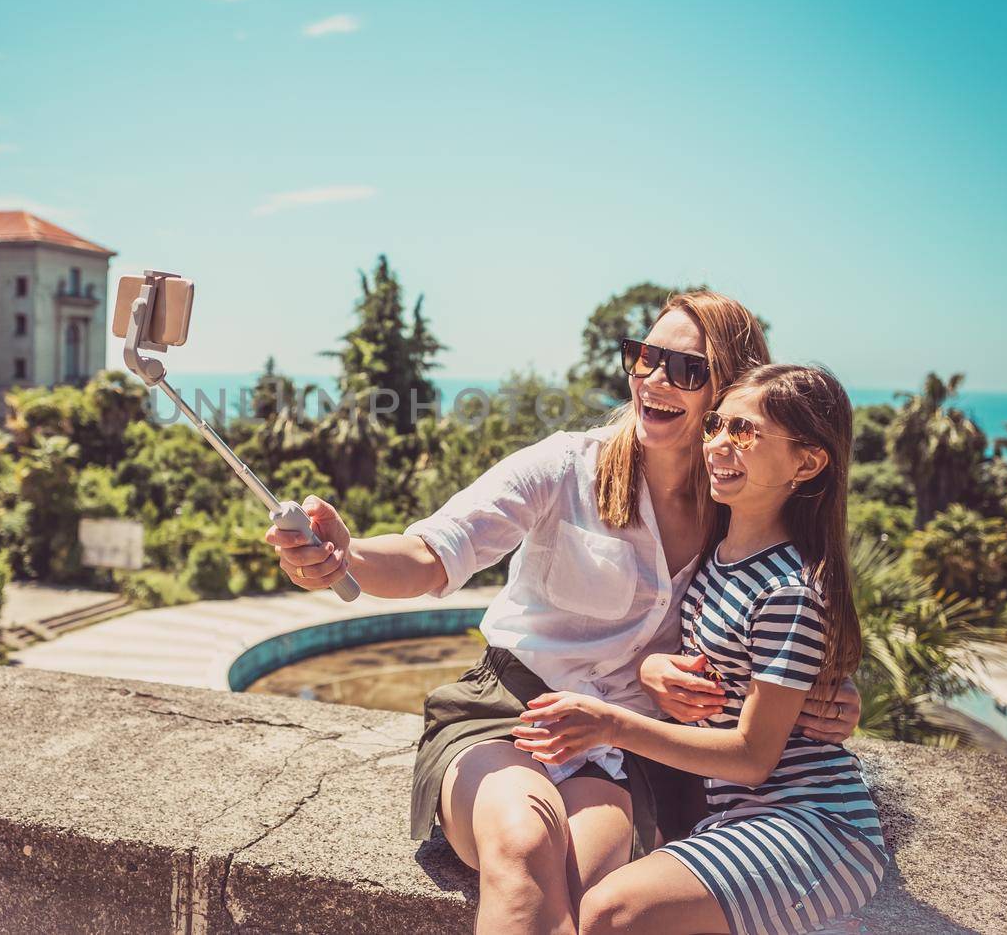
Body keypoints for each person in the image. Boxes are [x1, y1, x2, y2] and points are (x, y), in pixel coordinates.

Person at [265, 293, 862, 935]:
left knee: (593, 885)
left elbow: (771, 621)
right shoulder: (566, 466)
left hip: (611, 745)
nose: (654, 378)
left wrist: (828, 687)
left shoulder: (738, 505)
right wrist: (347, 555)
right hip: (506, 714)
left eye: (685, 368)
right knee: (522, 845)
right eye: (644, 357)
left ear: (727, 391)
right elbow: (432, 553)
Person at [513, 364, 887, 935]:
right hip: (741, 816)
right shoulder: (722, 560)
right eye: (716, 425)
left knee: (609, 915)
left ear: (807, 464)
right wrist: (654, 665)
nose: (716, 444)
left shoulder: (789, 589)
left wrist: (609, 724)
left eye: (744, 432)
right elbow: (717, 670)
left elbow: (751, 757)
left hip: (815, 825)